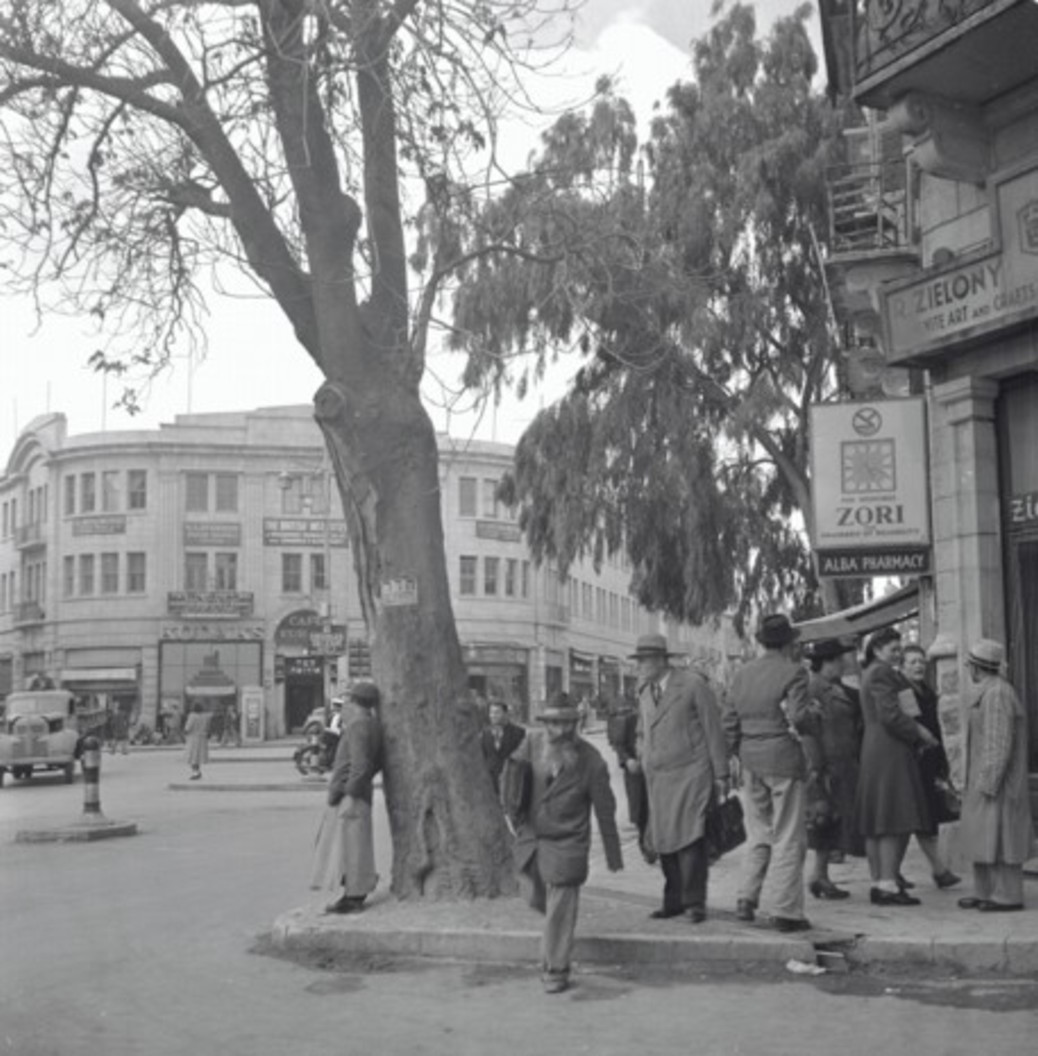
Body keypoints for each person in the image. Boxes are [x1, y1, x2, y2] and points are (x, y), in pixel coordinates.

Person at [508, 695, 622, 993]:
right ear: (545, 724)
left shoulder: (591, 761)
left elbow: (605, 808)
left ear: (576, 725)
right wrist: (513, 812)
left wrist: (613, 853)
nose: (559, 731)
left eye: (566, 724)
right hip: (532, 840)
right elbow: (512, 776)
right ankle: (553, 947)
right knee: (538, 898)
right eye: (553, 724)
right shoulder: (531, 744)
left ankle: (556, 968)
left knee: (560, 905)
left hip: (568, 841)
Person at [722, 613, 817, 932]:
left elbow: (728, 723)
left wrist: (734, 756)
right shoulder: (794, 672)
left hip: (750, 759)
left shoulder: (742, 674)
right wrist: (816, 719)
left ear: (762, 642)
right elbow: (799, 717)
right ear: (789, 643)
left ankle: (746, 897)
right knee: (789, 835)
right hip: (783, 758)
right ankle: (786, 910)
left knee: (758, 831)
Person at [629, 634, 727, 925]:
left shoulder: (692, 685)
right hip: (658, 778)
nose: (640, 666)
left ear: (661, 660)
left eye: (644, 660)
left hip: (691, 774)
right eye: (639, 661)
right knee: (664, 840)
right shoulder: (645, 693)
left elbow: (713, 729)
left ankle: (694, 903)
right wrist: (642, 755)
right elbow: (642, 731)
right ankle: (672, 901)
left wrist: (721, 774)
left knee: (691, 838)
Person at [855, 627, 939, 906]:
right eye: (893, 649)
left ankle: (881, 881)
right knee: (891, 817)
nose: (897, 653)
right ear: (877, 649)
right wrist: (920, 732)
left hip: (877, 748)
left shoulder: (873, 672)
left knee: (878, 818)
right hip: (889, 750)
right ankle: (887, 884)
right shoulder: (882, 673)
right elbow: (891, 715)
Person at [957, 639, 1035, 913]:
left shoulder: (997, 694)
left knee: (1001, 837)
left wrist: (988, 782)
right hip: (983, 777)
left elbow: (998, 742)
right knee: (983, 836)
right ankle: (984, 890)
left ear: (976, 668)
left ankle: (1008, 894)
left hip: (997, 781)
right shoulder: (988, 691)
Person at [803, 637, 864, 900]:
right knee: (823, 819)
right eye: (838, 660)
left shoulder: (833, 687)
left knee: (832, 819)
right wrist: (818, 768)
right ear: (826, 663)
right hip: (827, 764)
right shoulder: (813, 689)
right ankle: (819, 876)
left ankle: (821, 875)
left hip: (840, 762)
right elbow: (808, 731)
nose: (842, 664)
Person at [900, 643, 961, 889]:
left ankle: (894, 871)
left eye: (921, 661)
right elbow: (911, 724)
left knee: (922, 817)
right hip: (915, 760)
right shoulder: (904, 692)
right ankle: (939, 870)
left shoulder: (927, 691)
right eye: (913, 662)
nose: (919, 666)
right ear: (902, 667)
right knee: (920, 817)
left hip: (931, 759)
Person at [322, 681, 385, 915]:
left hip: (354, 795)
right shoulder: (373, 724)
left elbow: (361, 765)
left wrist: (348, 791)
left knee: (353, 847)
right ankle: (353, 892)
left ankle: (354, 896)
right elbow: (374, 763)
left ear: (354, 701)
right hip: (360, 792)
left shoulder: (358, 726)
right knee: (355, 845)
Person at [605, 694, 650, 853]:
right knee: (640, 808)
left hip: (659, 772)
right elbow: (619, 744)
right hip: (637, 772)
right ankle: (645, 842)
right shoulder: (631, 720)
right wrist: (627, 760)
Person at [480, 700, 526, 795]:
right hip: (490, 781)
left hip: (511, 780)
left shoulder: (518, 733)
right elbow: (483, 756)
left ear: (505, 714)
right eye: (491, 713)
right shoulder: (485, 733)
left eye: (497, 712)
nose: (493, 716)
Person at [183, 702, 211, 780]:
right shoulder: (205, 717)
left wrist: (185, 732)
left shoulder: (192, 716)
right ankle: (198, 771)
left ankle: (196, 773)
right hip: (203, 738)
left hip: (193, 738)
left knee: (193, 756)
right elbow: (208, 728)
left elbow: (188, 727)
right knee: (198, 757)